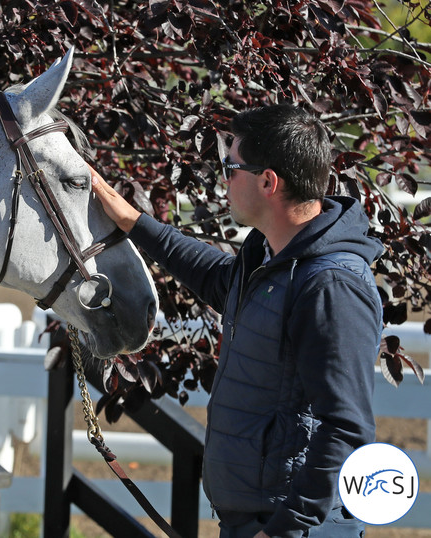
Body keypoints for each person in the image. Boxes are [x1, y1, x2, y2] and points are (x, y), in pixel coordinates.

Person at [90, 104, 383, 537]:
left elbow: (347, 427)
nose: (223, 179)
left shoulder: (331, 285)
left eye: (231, 167)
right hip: (253, 520)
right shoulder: (269, 260)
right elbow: (211, 274)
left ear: (268, 181)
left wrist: (283, 530)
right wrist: (133, 221)